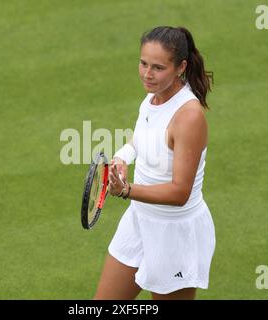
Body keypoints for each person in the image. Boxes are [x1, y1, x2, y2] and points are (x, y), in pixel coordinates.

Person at [94, 26, 215, 300]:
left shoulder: (189, 118)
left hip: (175, 234)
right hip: (138, 221)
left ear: (180, 67)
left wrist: (125, 190)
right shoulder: (152, 97)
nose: (147, 74)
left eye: (158, 68)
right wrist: (122, 158)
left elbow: (179, 192)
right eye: (143, 63)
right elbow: (141, 140)